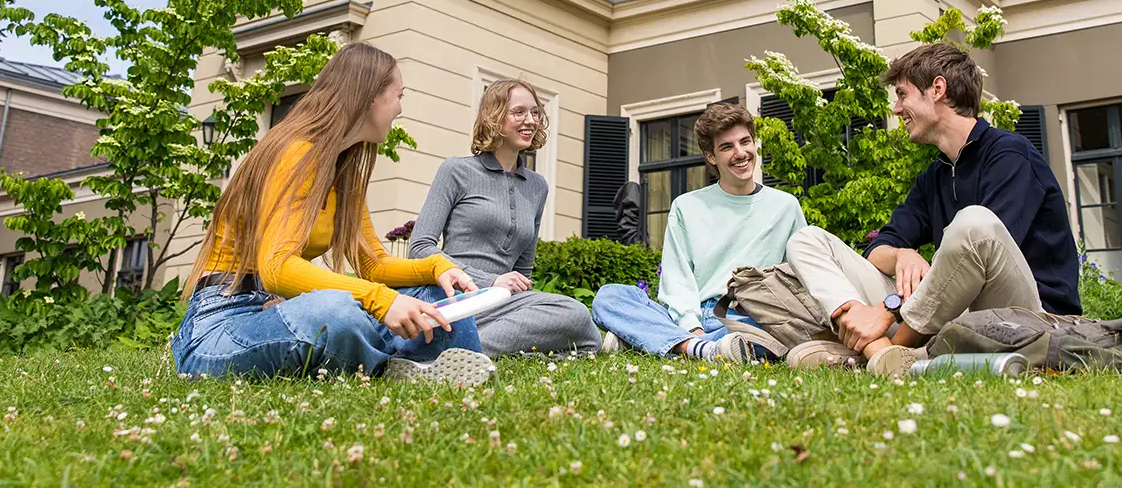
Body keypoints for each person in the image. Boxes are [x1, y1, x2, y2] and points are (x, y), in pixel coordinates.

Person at [171, 43, 493, 385]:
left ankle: (452, 371)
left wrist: (437, 266)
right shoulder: (295, 153)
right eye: (399, 96)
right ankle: (400, 365)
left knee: (441, 296)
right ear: (370, 97)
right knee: (335, 314)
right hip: (223, 321)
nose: (400, 108)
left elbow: (373, 265)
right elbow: (277, 268)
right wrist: (382, 300)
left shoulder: (341, 171)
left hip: (282, 310)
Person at [784, 43, 1082, 377]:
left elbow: (985, 246)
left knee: (974, 223)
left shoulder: (1010, 155)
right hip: (951, 316)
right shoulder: (934, 176)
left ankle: (893, 352)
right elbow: (877, 251)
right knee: (806, 240)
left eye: (902, 95)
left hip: (1029, 318)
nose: (896, 108)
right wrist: (902, 254)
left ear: (937, 89)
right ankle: (879, 350)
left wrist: (888, 310)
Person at [592, 102, 807, 362]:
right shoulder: (686, 206)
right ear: (711, 157)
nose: (740, 153)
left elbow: (801, 274)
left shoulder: (785, 206)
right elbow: (677, 277)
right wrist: (692, 326)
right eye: (727, 147)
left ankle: (652, 341)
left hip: (753, 315)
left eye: (745, 142)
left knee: (779, 332)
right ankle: (700, 346)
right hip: (697, 316)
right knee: (610, 297)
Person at [408, 79, 601, 357]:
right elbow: (420, 248)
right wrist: (489, 281)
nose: (530, 120)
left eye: (535, 113)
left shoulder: (537, 186)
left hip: (502, 305)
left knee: (586, 334)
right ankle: (463, 349)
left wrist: (511, 293)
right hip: (457, 297)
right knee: (576, 316)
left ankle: (462, 349)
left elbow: (523, 271)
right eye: (519, 112)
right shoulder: (457, 171)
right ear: (494, 117)